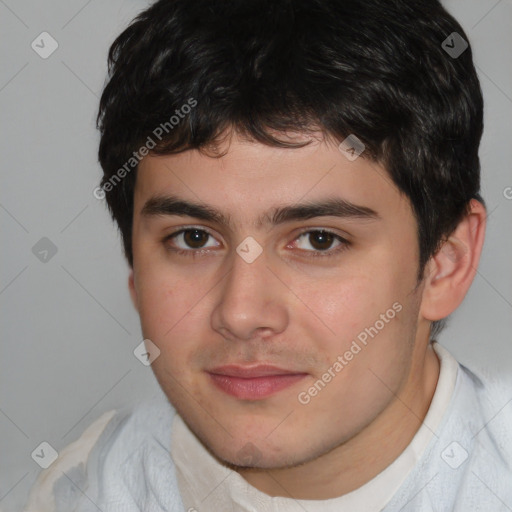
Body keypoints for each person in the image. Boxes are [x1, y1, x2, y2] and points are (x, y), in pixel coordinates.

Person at [23, 0, 512, 510]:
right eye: (193, 238)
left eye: (319, 240)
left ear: (446, 262)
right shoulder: (85, 489)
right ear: (135, 273)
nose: (240, 314)